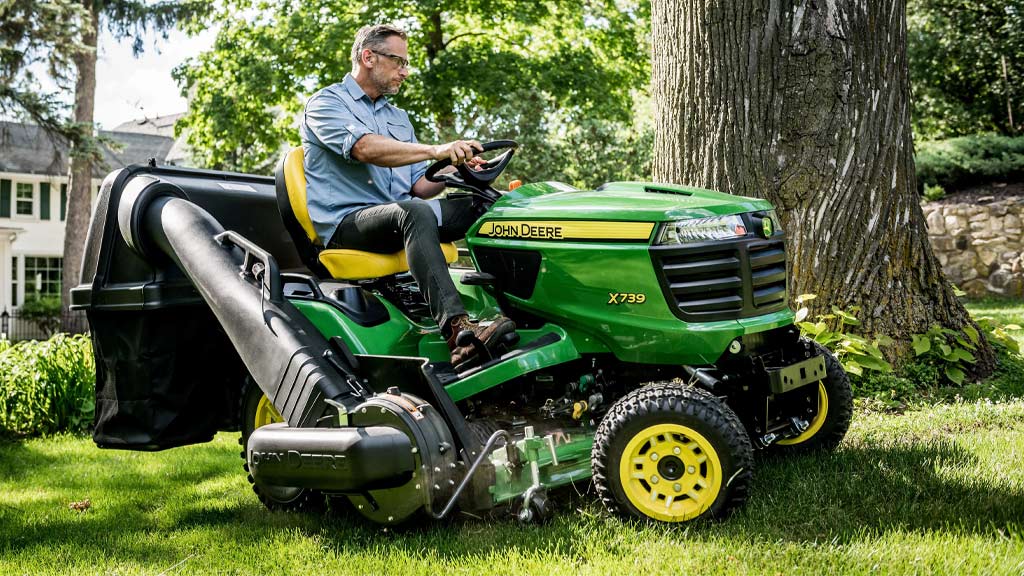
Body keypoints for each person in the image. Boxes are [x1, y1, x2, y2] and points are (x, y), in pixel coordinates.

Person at [299, 24, 514, 367]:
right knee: (412, 212)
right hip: (349, 225)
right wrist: (435, 149)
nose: (405, 71)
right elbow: (365, 149)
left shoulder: (397, 117)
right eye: (398, 62)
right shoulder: (326, 104)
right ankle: (459, 334)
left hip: (403, 215)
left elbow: (420, 186)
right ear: (368, 57)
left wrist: (456, 166)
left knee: (490, 206)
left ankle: (518, 311)